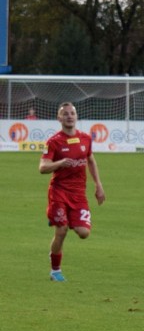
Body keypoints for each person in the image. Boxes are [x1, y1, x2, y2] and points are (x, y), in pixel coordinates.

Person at [38, 102, 106, 282]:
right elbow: (42, 168)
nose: (69, 116)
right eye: (65, 114)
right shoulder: (54, 142)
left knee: (83, 233)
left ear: (76, 117)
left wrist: (98, 185)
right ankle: (55, 271)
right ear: (59, 118)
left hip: (78, 194)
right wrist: (60, 163)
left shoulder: (85, 139)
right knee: (61, 230)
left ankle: (60, 217)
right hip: (59, 192)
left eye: (72, 113)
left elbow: (91, 160)